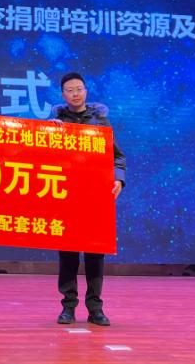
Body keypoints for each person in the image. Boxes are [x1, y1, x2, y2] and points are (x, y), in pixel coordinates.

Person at [50, 72, 126, 327]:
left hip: (95, 197)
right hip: (66, 197)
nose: (75, 94)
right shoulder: (55, 123)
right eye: (70, 90)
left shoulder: (100, 121)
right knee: (68, 256)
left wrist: (119, 180)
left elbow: (117, 157)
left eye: (79, 89)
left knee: (95, 255)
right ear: (63, 95)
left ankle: (96, 308)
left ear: (86, 91)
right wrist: (50, 134)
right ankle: (68, 307)